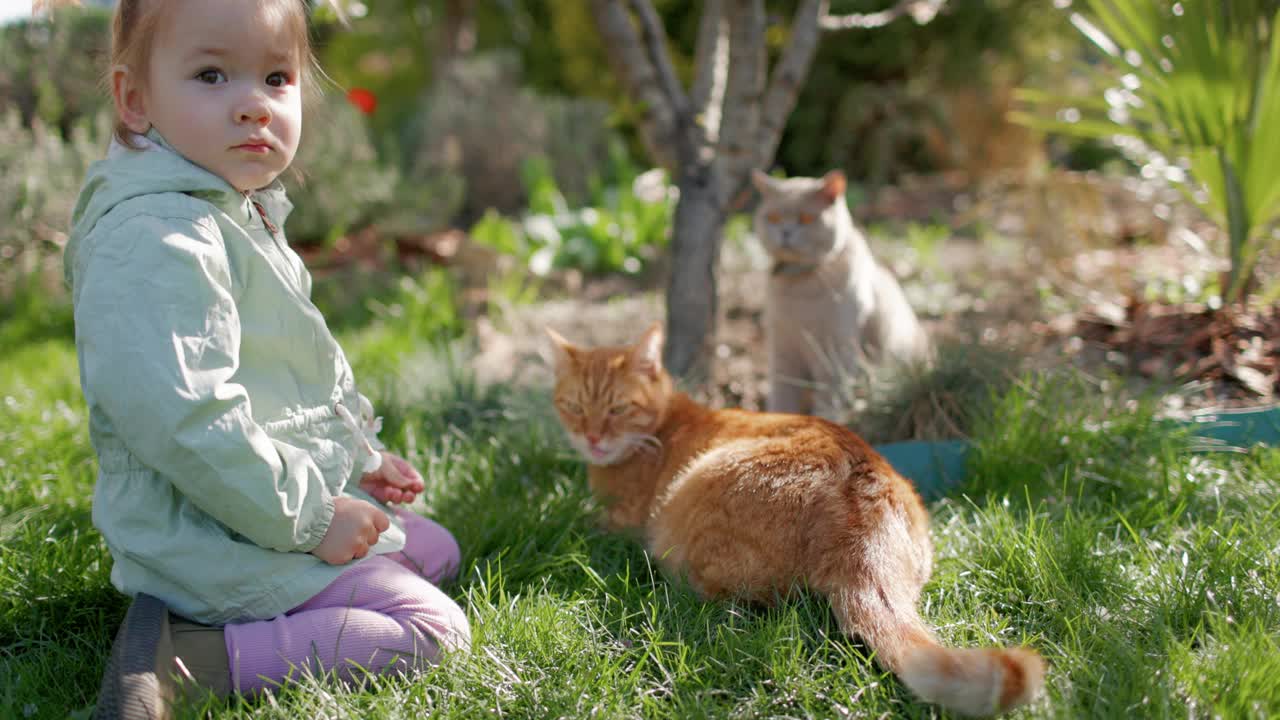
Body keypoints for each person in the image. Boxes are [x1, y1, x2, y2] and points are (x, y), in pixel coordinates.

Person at [60, 1, 471, 716]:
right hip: (206, 529)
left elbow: (287, 371)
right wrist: (316, 517)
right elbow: (190, 423)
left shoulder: (221, 207)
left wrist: (359, 455)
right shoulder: (159, 239)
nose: (253, 105)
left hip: (249, 504)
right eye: (212, 74)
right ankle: (188, 660)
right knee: (433, 629)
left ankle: (178, 620)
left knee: (434, 549)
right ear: (135, 99)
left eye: (276, 78)